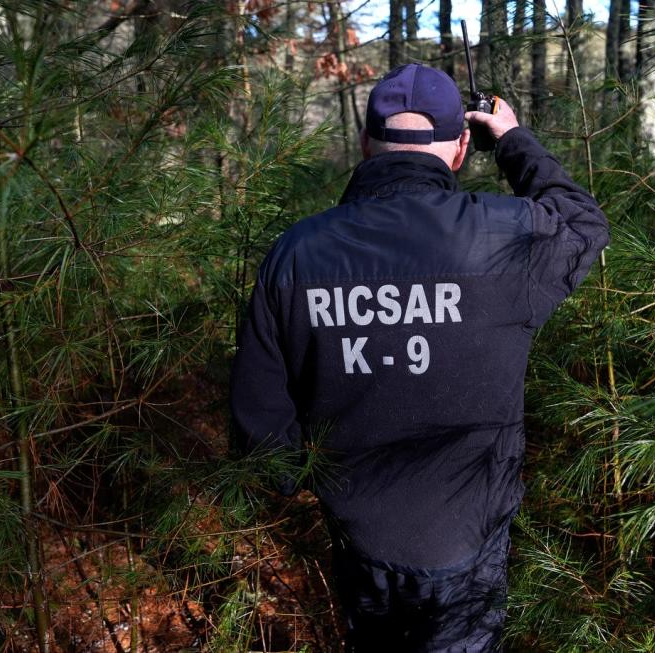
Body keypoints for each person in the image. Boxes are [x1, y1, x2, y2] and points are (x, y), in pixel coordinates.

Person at [230, 63, 609, 652]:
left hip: (358, 531)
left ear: (364, 145)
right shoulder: (506, 235)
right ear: (459, 148)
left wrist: (287, 483)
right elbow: (584, 223)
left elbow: (260, 414)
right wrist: (510, 139)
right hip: (470, 532)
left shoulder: (297, 253)